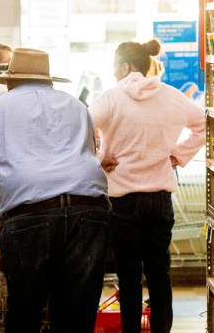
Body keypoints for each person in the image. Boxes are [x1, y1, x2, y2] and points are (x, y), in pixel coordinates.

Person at [0, 48, 110, 333]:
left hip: (29, 216)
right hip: (88, 208)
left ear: (9, 81)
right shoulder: (77, 106)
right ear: (50, 80)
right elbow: (89, 153)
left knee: (25, 311)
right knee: (77, 314)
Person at [88, 40, 206, 333]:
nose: (113, 72)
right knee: (159, 274)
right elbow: (204, 123)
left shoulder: (110, 98)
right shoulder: (171, 96)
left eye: (115, 65)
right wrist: (178, 155)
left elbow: (79, 128)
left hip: (122, 201)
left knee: (129, 277)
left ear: (125, 67)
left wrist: (99, 159)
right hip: (159, 200)